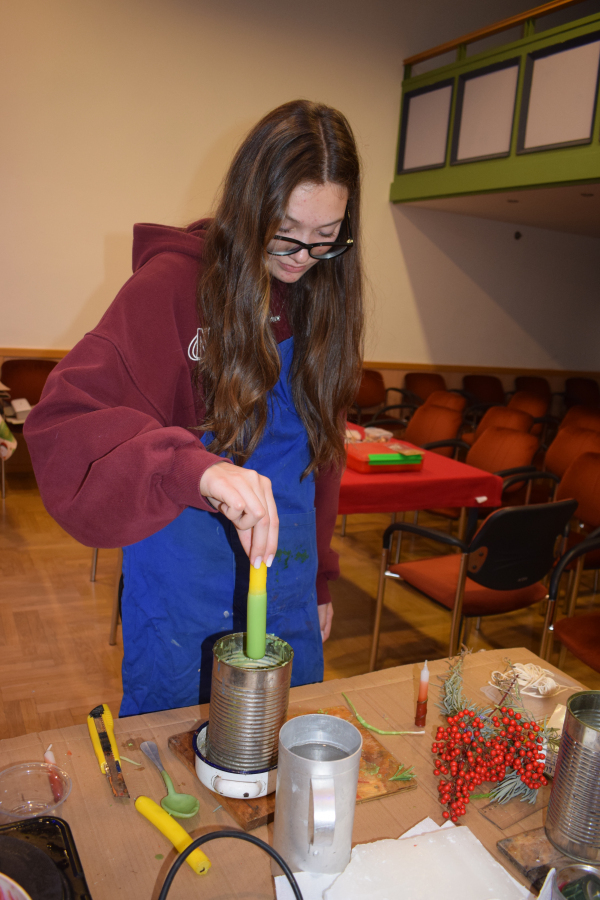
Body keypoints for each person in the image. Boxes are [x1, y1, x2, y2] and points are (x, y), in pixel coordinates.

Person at [25, 100, 364, 715]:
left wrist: (320, 579)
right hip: (183, 590)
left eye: (325, 238)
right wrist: (195, 468)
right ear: (249, 206)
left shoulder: (323, 296)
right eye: (285, 231)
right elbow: (62, 424)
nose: (301, 257)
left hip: (287, 580)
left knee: (277, 740)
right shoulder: (172, 289)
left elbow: (321, 462)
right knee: (176, 746)